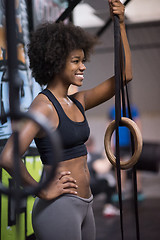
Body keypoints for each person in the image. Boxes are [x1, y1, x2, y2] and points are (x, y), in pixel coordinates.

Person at [0, 1, 132, 239]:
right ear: (56, 61)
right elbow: (8, 156)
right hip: (59, 207)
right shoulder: (43, 108)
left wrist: (120, 24)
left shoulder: (77, 101)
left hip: (86, 204)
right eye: (76, 61)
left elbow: (125, 75)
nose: (83, 66)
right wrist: (42, 190)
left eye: (83, 60)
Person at [109, 105, 144, 201]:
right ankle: (120, 191)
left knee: (136, 166)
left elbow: (138, 124)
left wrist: (138, 141)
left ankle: (138, 190)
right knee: (119, 167)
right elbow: (109, 126)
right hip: (119, 143)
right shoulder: (112, 110)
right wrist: (110, 143)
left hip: (132, 142)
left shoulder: (132, 109)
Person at [86, 137, 120, 217]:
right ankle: (108, 207)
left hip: (78, 188)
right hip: (90, 188)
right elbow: (102, 169)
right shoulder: (92, 155)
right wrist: (108, 155)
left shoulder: (77, 157)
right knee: (109, 182)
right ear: (92, 146)